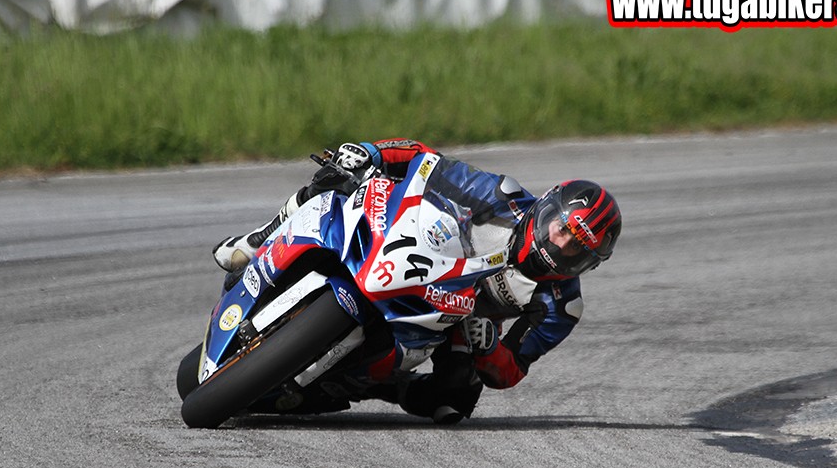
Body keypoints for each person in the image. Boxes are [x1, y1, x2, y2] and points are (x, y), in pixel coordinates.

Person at [211, 139, 622, 423]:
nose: (560, 243)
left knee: (455, 401)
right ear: (548, 208)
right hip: (420, 254)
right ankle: (260, 239)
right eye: (562, 228)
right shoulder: (502, 197)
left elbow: (513, 369)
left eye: (577, 248)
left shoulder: (560, 306)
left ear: (588, 263)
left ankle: (368, 386)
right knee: (334, 183)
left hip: (456, 320)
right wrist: (370, 154)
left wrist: (489, 346)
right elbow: (426, 161)